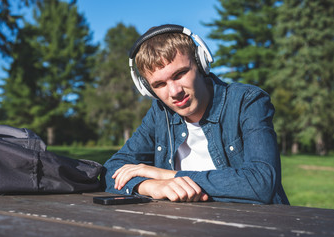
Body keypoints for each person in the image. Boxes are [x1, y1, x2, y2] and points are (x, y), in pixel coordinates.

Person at [103, 24, 289, 204]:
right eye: (159, 85)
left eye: (180, 74)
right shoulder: (160, 113)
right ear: (148, 90)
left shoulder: (247, 101)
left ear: (201, 63)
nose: (174, 91)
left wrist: (167, 176)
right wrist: (150, 186)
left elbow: (261, 182)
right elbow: (110, 171)